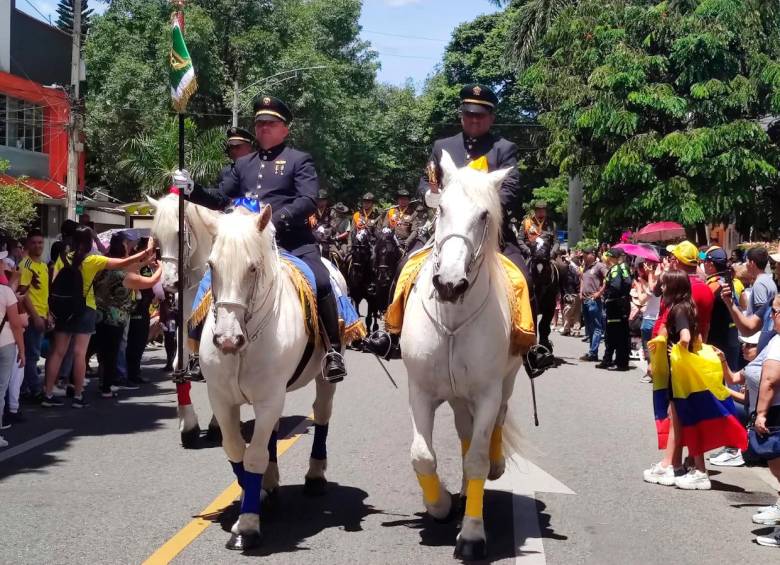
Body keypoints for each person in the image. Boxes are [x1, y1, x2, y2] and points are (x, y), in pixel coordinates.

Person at [364, 84, 546, 365]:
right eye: (469, 114)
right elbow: (427, 180)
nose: (474, 120)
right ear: (461, 115)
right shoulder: (443, 146)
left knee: (523, 277)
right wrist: (431, 195)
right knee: (403, 267)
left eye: (481, 115)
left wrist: (481, 204)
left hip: (489, 233)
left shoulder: (503, 148)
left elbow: (510, 188)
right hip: (445, 231)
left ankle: (530, 345)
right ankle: (393, 333)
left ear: (491, 117)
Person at [175, 95, 347, 382]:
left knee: (320, 279)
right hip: (245, 245)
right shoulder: (243, 165)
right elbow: (220, 198)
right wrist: (192, 188)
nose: (264, 128)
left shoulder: (298, 160)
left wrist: (273, 222)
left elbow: (307, 199)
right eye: (259, 123)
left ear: (284, 129)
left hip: (291, 241)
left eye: (270, 123)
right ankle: (196, 354)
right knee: (210, 280)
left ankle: (333, 351)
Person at [41, 227, 154, 408]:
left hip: (63, 308)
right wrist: (146, 252)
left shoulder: (63, 258)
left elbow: (53, 283)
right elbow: (121, 263)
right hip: (86, 308)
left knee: (57, 352)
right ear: (88, 243)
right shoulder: (92, 260)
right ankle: (78, 395)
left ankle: (47, 394)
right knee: (80, 353)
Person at [718, 295, 780, 546]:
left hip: (774, 411)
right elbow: (741, 377)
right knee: (776, 467)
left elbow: (770, 380)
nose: (772, 316)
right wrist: (722, 360)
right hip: (769, 409)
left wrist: (762, 413)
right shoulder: (774, 340)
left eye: (776, 312)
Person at [644, 270, 712, 489]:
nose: (661, 289)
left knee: (679, 418)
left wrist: (677, 352)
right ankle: (674, 464)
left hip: (678, 371)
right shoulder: (686, 306)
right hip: (681, 369)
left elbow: (686, 337)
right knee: (678, 418)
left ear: (673, 287)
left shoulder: (679, 309)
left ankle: (676, 466)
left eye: (665, 285)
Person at [16, 229, 49, 404]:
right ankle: (35, 390)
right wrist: (35, 316)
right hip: (31, 317)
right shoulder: (25, 265)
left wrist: (48, 314)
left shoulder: (43, 265)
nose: (38, 246)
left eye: (40, 242)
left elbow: (44, 293)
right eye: (34, 242)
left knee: (33, 354)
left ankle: (24, 389)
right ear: (28, 244)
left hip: (43, 315)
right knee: (32, 356)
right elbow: (23, 294)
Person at [125, 238, 163, 385]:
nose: (153, 254)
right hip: (136, 307)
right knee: (135, 342)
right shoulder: (135, 265)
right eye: (151, 251)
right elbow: (149, 282)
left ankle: (135, 372)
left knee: (140, 342)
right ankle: (132, 374)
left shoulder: (145, 265)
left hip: (144, 307)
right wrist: (157, 269)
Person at [0, 260, 25, 447]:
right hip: (5, 343)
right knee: (0, 389)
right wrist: (22, 351)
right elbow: (16, 324)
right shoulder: (6, 291)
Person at [703, 246, 739, 370]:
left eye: (704, 261)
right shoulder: (726, 280)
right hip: (730, 334)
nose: (703, 264)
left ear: (711, 264)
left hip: (717, 338)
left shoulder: (714, 285)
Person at [596, 247, 632, 371]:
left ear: (611, 257)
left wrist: (609, 296)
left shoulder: (617, 268)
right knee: (617, 333)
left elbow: (616, 286)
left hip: (615, 306)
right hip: (621, 304)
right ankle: (611, 360)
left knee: (614, 334)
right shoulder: (623, 267)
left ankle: (619, 362)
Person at [579, 247, 608, 362]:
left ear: (592, 254)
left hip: (594, 300)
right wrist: (580, 291)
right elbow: (582, 279)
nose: (584, 257)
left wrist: (599, 293)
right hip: (585, 300)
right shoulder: (585, 266)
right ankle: (593, 352)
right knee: (589, 327)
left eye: (586, 255)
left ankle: (593, 352)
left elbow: (608, 278)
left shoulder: (600, 266)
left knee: (596, 327)